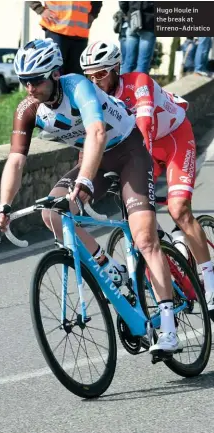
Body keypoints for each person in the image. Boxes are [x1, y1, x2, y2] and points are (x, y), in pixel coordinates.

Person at [0, 38, 182, 355]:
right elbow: (16, 160)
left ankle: (169, 329)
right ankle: (108, 266)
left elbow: (97, 133)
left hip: (128, 152)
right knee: (51, 212)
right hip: (95, 158)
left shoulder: (77, 86)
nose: (29, 88)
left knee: (145, 239)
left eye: (35, 80)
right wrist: (4, 204)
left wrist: (86, 181)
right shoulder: (28, 107)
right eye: (24, 81)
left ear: (54, 75)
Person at [80, 40, 214, 312]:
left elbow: (144, 127)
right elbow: (89, 140)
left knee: (178, 209)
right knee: (140, 223)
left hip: (174, 138)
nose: (95, 81)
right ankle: (170, 275)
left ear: (116, 68)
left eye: (101, 73)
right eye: (90, 76)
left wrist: (145, 179)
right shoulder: (93, 99)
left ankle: (211, 283)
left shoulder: (137, 82)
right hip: (143, 147)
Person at [29, 1, 102, 74]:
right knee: (56, 73)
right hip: (56, 30)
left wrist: (93, 14)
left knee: (76, 76)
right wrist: (40, 10)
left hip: (80, 35)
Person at [119, 1, 155, 74]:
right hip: (149, 21)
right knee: (143, 64)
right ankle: (140, 85)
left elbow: (123, 3)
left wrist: (129, 13)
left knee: (128, 62)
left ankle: (123, 84)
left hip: (133, 19)